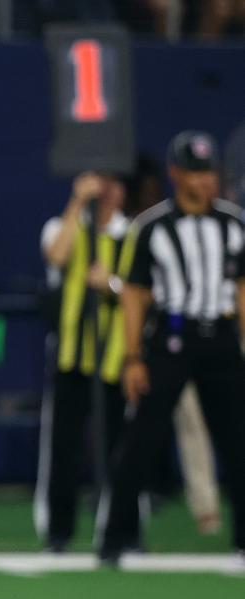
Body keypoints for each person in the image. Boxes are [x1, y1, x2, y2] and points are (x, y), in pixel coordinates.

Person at [97, 131, 245, 564]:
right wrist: (132, 357)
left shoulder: (233, 224)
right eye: (195, 172)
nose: (204, 181)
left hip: (219, 338)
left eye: (208, 172)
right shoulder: (151, 228)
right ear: (176, 174)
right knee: (140, 439)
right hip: (171, 340)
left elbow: (241, 291)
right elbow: (134, 295)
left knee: (237, 442)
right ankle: (114, 538)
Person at [34, 171, 133, 551]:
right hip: (71, 359)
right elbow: (56, 254)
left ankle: (123, 531)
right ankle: (59, 533)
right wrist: (77, 203)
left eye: (112, 182)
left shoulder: (133, 234)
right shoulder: (65, 226)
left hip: (115, 360)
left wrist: (109, 284)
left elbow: (143, 292)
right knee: (63, 450)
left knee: (121, 451)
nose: (105, 190)